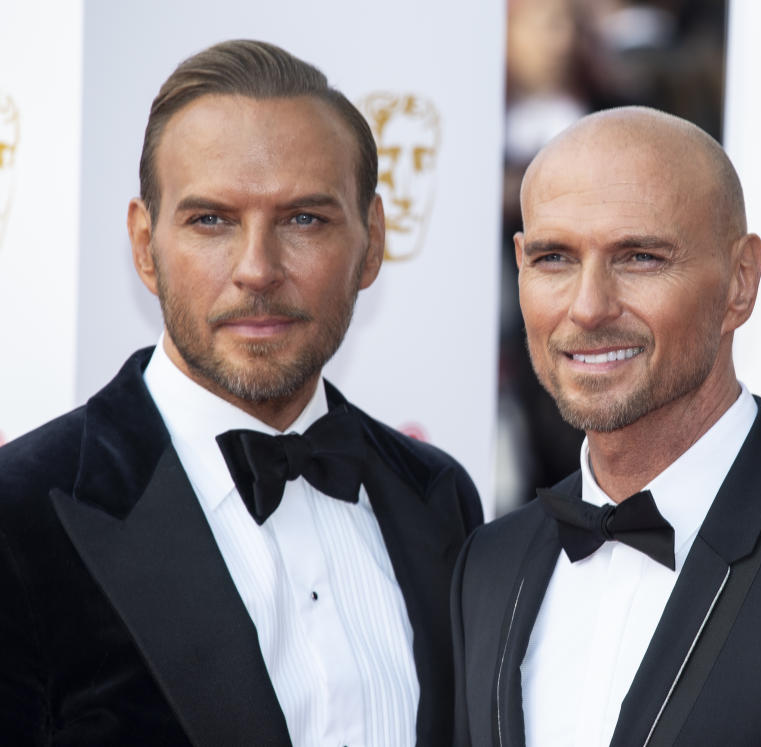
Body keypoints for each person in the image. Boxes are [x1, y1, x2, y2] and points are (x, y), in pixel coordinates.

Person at [0, 40, 482, 746]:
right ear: (144, 246)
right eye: (212, 220)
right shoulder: (21, 517)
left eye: (304, 219)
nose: (257, 269)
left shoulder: (438, 498)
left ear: (372, 241)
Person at [451, 107, 761, 746]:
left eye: (639, 257)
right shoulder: (488, 569)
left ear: (740, 282)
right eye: (555, 258)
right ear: (520, 264)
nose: (588, 307)